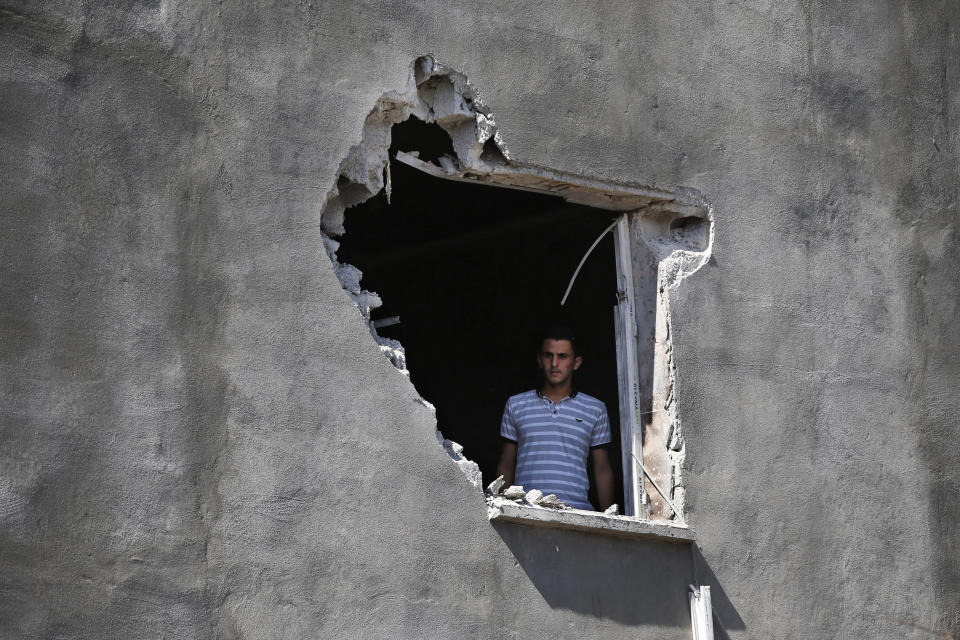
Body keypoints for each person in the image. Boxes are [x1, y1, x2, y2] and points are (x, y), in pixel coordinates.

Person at [496, 324, 615, 511]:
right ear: (539, 360)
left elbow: (602, 470)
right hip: (527, 512)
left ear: (576, 363)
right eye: (548, 355)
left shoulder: (595, 409)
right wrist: (504, 510)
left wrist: (611, 519)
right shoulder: (516, 405)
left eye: (563, 356)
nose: (554, 363)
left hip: (579, 514)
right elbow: (506, 463)